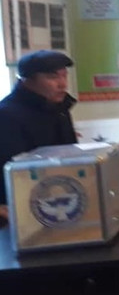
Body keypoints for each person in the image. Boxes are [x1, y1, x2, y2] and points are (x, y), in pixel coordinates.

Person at [0, 50, 77, 222]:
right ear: (27, 80)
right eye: (52, 77)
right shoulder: (6, 115)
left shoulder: (59, 110)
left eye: (64, 76)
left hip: (59, 199)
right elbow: (11, 170)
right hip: (20, 209)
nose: (62, 84)